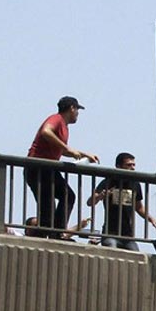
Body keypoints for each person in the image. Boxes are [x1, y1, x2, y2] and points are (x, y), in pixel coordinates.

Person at [24, 97, 97, 239]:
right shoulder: (56, 119)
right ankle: (44, 236)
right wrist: (67, 147)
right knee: (48, 210)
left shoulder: (64, 128)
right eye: (77, 110)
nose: (77, 114)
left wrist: (84, 154)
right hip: (38, 167)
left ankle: (56, 232)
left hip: (49, 169)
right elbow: (46, 131)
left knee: (68, 196)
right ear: (72, 108)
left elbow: (63, 151)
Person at [75, 152, 156, 250]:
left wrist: (151, 219)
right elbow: (90, 202)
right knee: (112, 249)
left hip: (128, 236)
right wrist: (100, 196)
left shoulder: (135, 184)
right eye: (128, 165)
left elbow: (139, 207)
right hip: (110, 233)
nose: (132, 168)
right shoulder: (109, 181)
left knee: (136, 255)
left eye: (133, 165)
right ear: (118, 166)